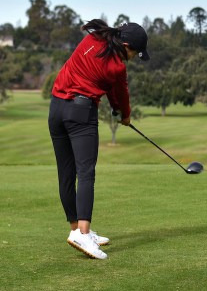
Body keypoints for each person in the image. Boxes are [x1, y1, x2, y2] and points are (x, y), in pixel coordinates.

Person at [48, 19, 150, 259]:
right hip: (81, 113)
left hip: (56, 110)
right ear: (126, 45)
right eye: (135, 52)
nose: (134, 57)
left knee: (66, 173)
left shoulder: (92, 39)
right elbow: (119, 94)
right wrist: (124, 114)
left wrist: (118, 107)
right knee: (85, 173)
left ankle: (77, 231)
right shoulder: (117, 67)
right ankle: (83, 234)